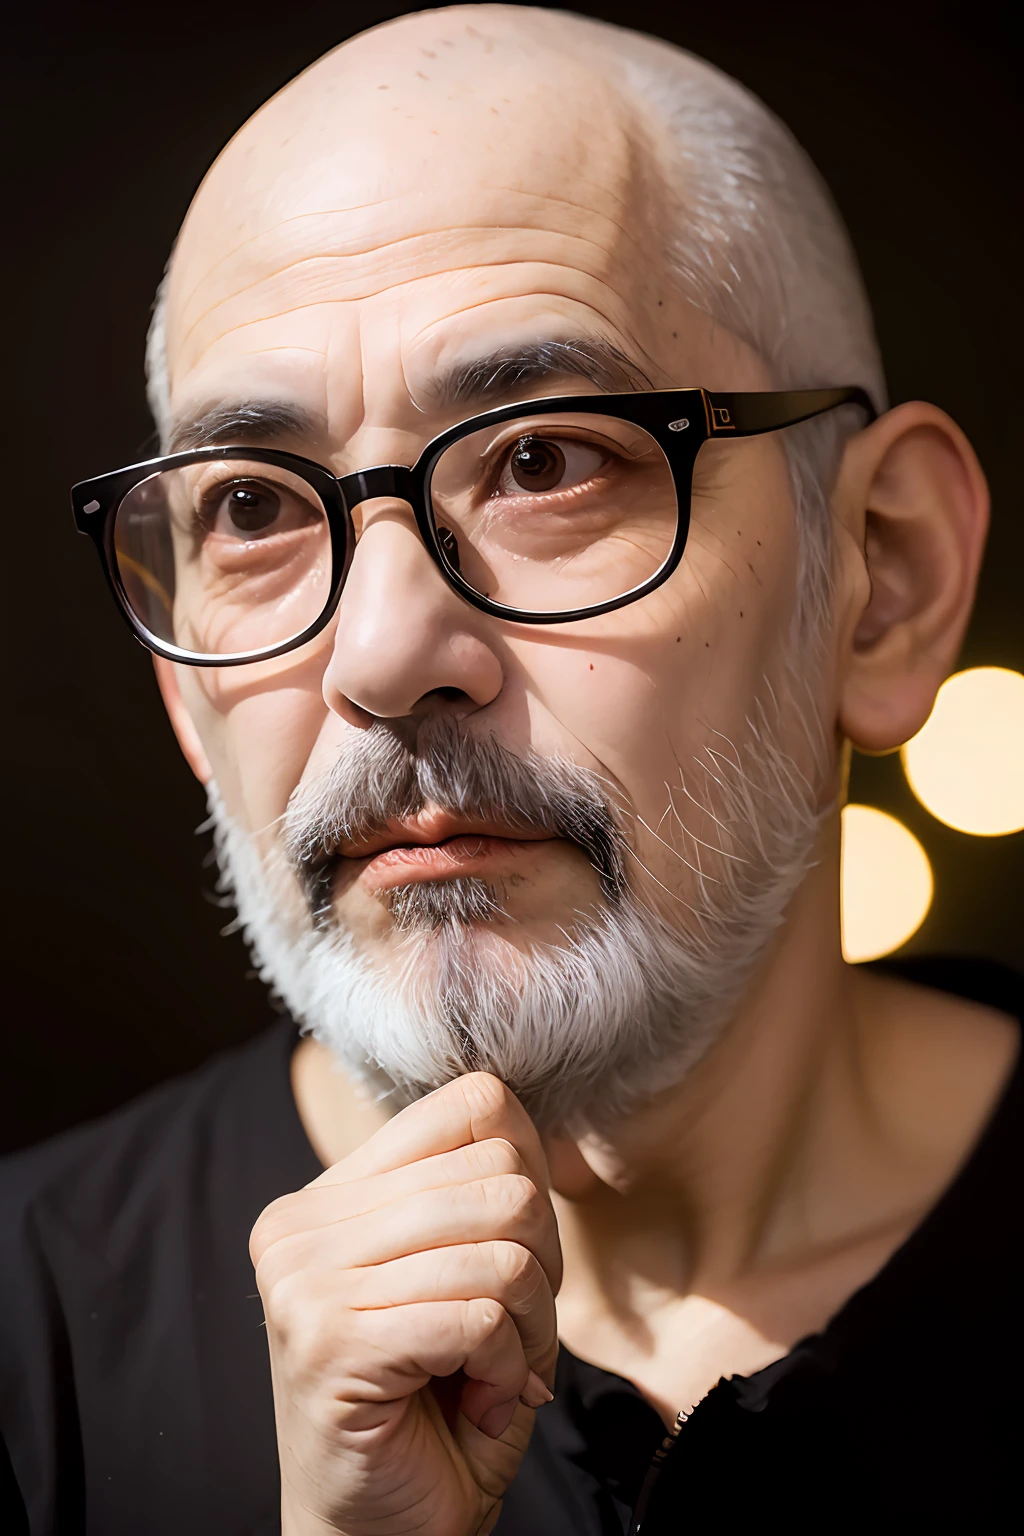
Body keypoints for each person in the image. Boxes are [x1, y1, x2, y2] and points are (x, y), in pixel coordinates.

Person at [2, 5, 1020, 1532]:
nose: (384, 653)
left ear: (880, 577)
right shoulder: (27, 1343)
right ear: (180, 686)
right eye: (255, 511)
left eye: (546, 458)